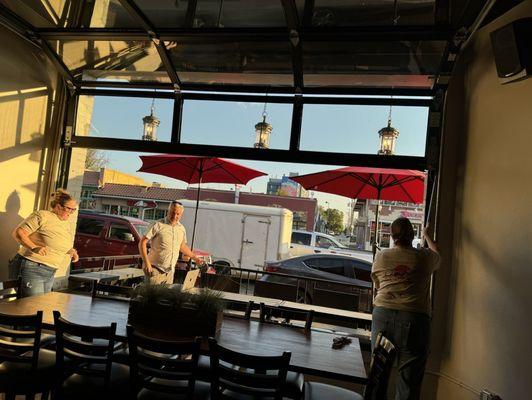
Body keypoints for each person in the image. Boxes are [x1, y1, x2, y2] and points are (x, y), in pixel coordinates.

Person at [370, 217, 440, 400]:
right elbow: (437, 254)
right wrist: (427, 236)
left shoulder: (381, 256)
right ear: (412, 234)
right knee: (408, 385)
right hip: (414, 319)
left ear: (392, 236)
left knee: (377, 377)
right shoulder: (423, 257)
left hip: (382, 314)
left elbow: (378, 285)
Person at [10, 189, 79, 297]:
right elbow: (18, 233)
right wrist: (33, 247)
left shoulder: (64, 222)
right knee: (32, 306)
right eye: (69, 209)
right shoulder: (42, 216)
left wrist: (71, 251)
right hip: (32, 266)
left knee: (41, 305)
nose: (71, 213)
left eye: (73, 210)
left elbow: (58, 241)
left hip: (50, 270)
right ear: (58, 206)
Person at [139, 200, 203, 285]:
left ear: (181, 215)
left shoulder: (181, 229)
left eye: (177, 214)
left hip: (169, 272)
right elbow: (142, 243)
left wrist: (195, 258)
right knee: (152, 296)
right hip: (154, 269)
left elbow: (182, 246)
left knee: (164, 297)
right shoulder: (157, 224)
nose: (174, 216)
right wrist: (147, 263)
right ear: (168, 211)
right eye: (172, 212)